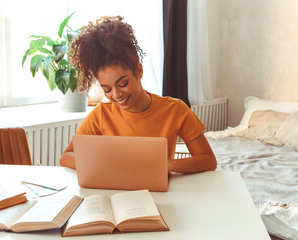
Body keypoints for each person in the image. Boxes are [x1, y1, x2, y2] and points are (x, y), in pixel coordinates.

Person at [60, 16, 217, 173]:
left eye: (123, 84)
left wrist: (166, 165)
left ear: (139, 70)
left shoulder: (175, 110)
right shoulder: (102, 114)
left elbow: (208, 160)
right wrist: (102, 164)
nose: (116, 95)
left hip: (157, 191)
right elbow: (66, 156)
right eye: (107, 89)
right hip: (117, 192)